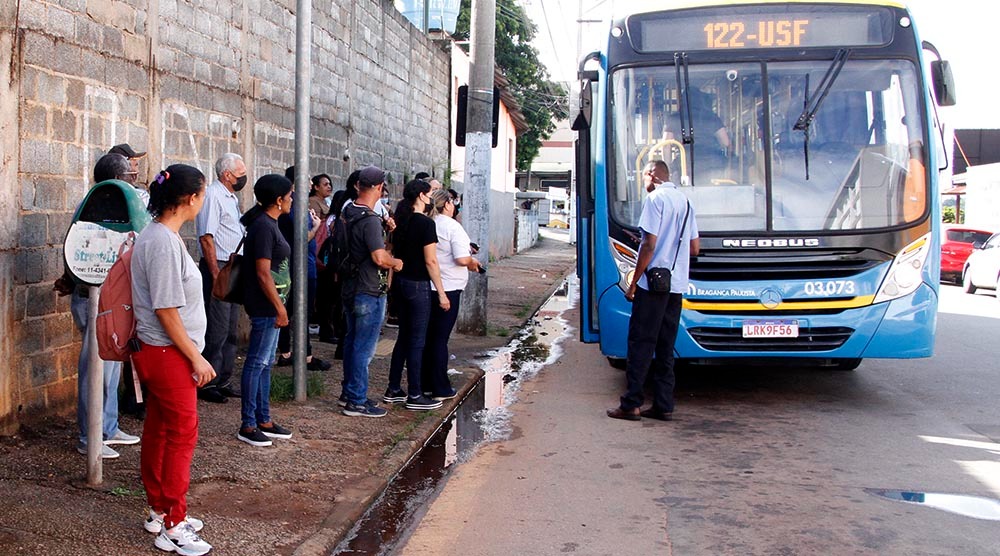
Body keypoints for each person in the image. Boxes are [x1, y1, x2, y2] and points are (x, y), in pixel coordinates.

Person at [130, 164, 213, 555]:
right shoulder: (162, 241)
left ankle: (160, 509)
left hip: (161, 351)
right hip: (167, 353)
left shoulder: (160, 236)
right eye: (203, 193)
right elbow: (166, 309)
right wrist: (196, 357)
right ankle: (174, 524)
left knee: (161, 432)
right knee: (181, 436)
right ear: (190, 199)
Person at [56, 153, 142, 459]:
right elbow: (77, 249)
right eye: (131, 176)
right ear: (117, 178)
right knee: (95, 368)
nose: (135, 180)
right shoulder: (95, 204)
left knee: (111, 367)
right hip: (91, 297)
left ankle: (108, 427)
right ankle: (88, 436)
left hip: (112, 298)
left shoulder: (117, 202)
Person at [607, 164, 699, 422]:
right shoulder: (686, 202)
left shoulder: (655, 199)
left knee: (640, 343)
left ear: (652, 175)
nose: (643, 181)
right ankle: (663, 404)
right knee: (665, 346)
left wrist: (634, 282)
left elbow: (649, 245)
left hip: (652, 285)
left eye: (643, 176)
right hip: (676, 285)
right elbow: (694, 248)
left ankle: (632, 404)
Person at [237, 174, 296, 447]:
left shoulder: (270, 223)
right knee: (256, 362)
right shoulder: (262, 226)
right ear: (278, 200)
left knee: (266, 363)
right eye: (290, 195)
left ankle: (264, 418)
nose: (292, 200)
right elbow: (262, 273)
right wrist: (279, 307)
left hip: (272, 306)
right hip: (265, 306)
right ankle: (248, 424)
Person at [341, 166, 403, 417]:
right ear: (379, 187)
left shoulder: (348, 211)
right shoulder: (369, 220)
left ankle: (349, 392)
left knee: (352, 341)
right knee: (364, 347)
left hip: (350, 284)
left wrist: (385, 228)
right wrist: (395, 262)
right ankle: (356, 400)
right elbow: (379, 257)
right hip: (368, 288)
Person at [383, 179, 449, 411]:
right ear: (421, 196)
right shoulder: (425, 223)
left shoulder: (399, 220)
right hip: (418, 285)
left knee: (404, 336)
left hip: (401, 283)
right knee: (417, 341)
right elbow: (431, 260)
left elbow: (391, 249)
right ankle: (415, 393)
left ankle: (393, 388)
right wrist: (441, 293)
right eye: (430, 192)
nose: (433, 196)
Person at [194, 153, 247, 403]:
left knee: (231, 327)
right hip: (221, 266)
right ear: (227, 175)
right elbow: (207, 237)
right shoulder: (213, 196)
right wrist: (216, 274)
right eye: (239, 174)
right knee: (217, 327)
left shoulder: (231, 198)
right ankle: (208, 382)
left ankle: (224, 378)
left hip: (234, 265)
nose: (242, 178)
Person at [421, 189, 481, 399]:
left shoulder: (428, 222)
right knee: (439, 339)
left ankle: (425, 383)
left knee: (428, 338)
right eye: (453, 202)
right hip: (448, 288)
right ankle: (439, 387)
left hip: (428, 286)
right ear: (446, 204)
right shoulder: (452, 226)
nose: (455, 205)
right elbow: (461, 259)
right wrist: (473, 262)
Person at [276, 166, 330, 371]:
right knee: (299, 312)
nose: (310, 183)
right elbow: (301, 238)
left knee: (292, 310)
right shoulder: (294, 205)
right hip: (299, 267)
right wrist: (316, 226)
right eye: (307, 179)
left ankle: (291, 352)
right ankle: (300, 354)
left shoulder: (296, 204)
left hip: (301, 265)